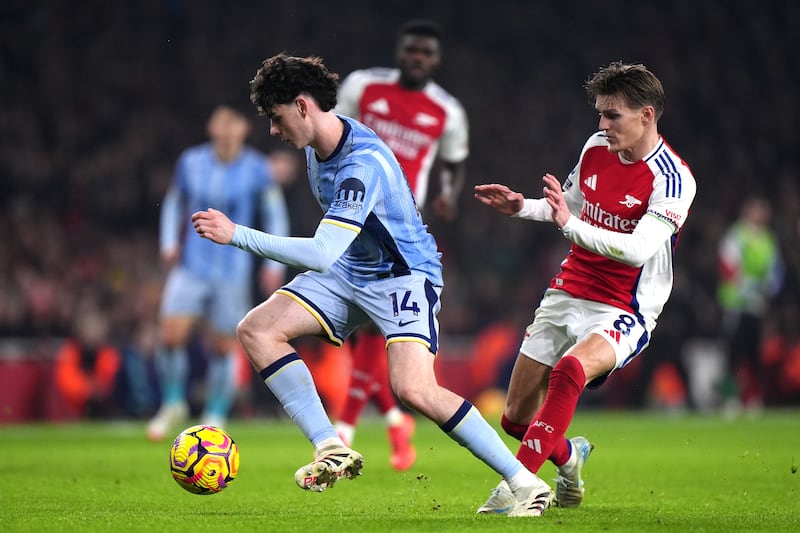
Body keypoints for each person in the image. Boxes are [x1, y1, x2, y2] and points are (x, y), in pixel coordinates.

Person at [191, 53, 555, 517]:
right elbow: (333, 250)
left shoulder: (362, 164)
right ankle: (331, 447)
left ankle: (526, 484)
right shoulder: (316, 145)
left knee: (414, 389)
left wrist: (236, 234)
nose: (273, 131)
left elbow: (322, 251)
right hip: (350, 270)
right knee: (257, 329)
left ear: (303, 107)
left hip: (402, 277)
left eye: (277, 118)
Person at [473, 61, 696, 513]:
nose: (602, 124)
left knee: (571, 371)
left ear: (646, 115)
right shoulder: (596, 147)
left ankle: (520, 488)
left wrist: (570, 225)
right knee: (516, 420)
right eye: (600, 113)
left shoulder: (673, 179)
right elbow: (567, 207)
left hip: (624, 305)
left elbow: (635, 250)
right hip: (569, 288)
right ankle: (571, 457)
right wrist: (522, 207)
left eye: (612, 115)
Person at [333, 18, 469, 470]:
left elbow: (453, 162)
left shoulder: (446, 111)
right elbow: (332, 133)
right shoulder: (363, 87)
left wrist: (449, 194)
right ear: (400, 50)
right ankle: (396, 426)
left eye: (426, 53)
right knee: (361, 335)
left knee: (375, 328)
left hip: (401, 228)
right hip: (349, 212)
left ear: (436, 60)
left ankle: (344, 431)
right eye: (411, 49)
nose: (417, 58)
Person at [146, 100, 290, 441]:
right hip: (191, 266)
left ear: (244, 129)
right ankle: (173, 403)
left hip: (232, 269)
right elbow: (173, 201)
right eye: (220, 123)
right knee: (170, 335)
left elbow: (275, 214)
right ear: (211, 128)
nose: (225, 131)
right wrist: (169, 242)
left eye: (232, 124)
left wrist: (273, 263)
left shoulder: (257, 168)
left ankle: (215, 413)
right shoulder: (191, 162)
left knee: (224, 347)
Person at [717, 196, 783, 413]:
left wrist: (768, 288)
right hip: (736, 304)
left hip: (757, 305)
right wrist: (749, 286)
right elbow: (728, 267)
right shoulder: (736, 235)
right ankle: (730, 399)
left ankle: (754, 399)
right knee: (733, 353)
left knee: (754, 354)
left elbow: (776, 271)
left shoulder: (767, 238)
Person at [54, 306, 122, 418]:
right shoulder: (70, 352)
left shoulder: (108, 354)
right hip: (74, 410)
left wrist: (99, 389)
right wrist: (88, 390)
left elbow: (110, 379)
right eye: (89, 328)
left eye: (96, 327)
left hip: (106, 409)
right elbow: (67, 381)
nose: (93, 332)